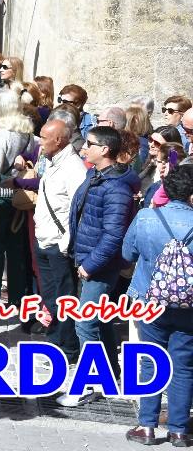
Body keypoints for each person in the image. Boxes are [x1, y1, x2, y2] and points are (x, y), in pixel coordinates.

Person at [58, 126, 138, 407]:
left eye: (89, 144)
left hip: (99, 265)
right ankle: (111, 374)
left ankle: (90, 383)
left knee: (85, 323)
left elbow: (114, 234)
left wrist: (90, 265)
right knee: (101, 320)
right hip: (87, 259)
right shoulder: (96, 175)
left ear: (105, 150)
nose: (83, 148)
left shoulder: (116, 188)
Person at [121, 164, 193, 447]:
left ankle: (146, 427)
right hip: (189, 305)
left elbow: (127, 253)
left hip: (149, 301)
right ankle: (178, 430)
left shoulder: (146, 217)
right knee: (184, 365)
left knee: (151, 362)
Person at [12, 119, 86, 361]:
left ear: (59, 140)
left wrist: (66, 242)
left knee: (64, 297)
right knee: (51, 295)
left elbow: (79, 209)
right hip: (44, 239)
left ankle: (69, 347)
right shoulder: (53, 162)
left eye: (44, 137)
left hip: (59, 245)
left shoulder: (73, 168)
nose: (39, 142)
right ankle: (55, 339)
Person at [0, 89, 36, 310]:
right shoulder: (28, 134)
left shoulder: (1, 135)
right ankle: (17, 298)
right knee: (16, 251)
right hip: (20, 198)